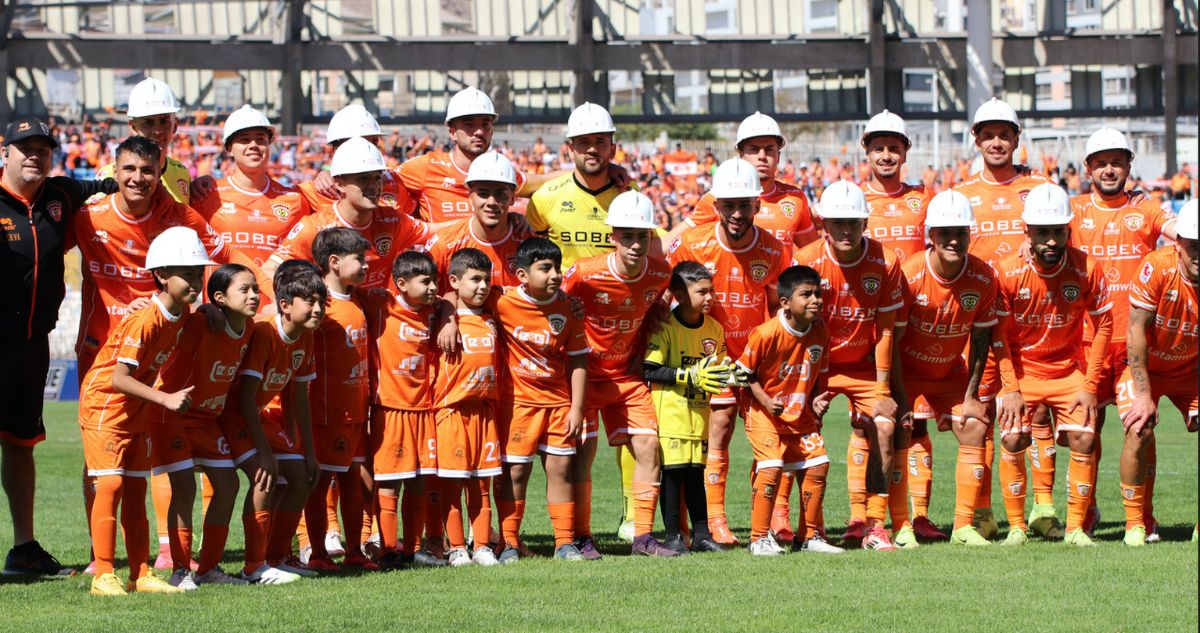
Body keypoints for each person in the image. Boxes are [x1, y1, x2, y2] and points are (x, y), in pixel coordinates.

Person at [1, 116, 115, 576]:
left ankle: (24, 548)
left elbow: (114, 183)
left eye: (43, 148)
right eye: (24, 147)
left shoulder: (62, 195)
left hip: (32, 346)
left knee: (20, 443)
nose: (34, 155)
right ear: (4, 152)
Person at [80, 227, 217, 596]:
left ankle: (140, 573)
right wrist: (165, 399)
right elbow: (119, 378)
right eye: (186, 273)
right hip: (105, 405)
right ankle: (103, 574)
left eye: (197, 272)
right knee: (111, 484)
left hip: (135, 409)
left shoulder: (183, 313)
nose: (195, 280)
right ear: (160, 276)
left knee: (137, 488)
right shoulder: (146, 318)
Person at [666, 158, 791, 546]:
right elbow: (666, 293)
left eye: (745, 204)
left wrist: (776, 358)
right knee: (717, 433)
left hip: (757, 359)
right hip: (711, 357)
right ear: (716, 205)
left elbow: (777, 306)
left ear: (758, 204)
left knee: (770, 436)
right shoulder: (693, 242)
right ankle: (716, 520)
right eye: (729, 205)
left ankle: (774, 517)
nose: (737, 213)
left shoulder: (773, 249)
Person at [1069, 127, 1178, 537]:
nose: (1109, 169)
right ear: (1088, 168)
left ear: (1129, 166)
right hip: (1087, 343)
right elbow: (1045, 239)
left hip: (1134, 348)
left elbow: (1177, 231)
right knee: (1086, 431)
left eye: (1117, 162)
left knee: (1140, 427)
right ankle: (1088, 509)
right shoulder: (1073, 209)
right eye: (1101, 162)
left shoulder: (1146, 208)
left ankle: (1142, 516)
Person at [895, 191, 1019, 546]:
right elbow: (894, 336)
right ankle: (904, 524)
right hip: (909, 372)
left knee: (975, 425)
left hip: (950, 373)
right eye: (945, 232)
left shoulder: (982, 277)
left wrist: (971, 396)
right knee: (899, 431)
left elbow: (981, 342)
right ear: (931, 236)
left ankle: (963, 527)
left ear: (969, 234)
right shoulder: (910, 274)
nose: (953, 240)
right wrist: (898, 394)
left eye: (961, 232)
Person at [993, 183, 1112, 547]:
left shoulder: (1087, 267)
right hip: (1022, 370)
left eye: (1058, 232)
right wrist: (1010, 389)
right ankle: (1016, 526)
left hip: (1067, 372)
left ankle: (1075, 528)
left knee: (1084, 437)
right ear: (1026, 231)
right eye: (1042, 232)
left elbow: (1104, 323)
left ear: (1068, 231)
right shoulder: (1007, 272)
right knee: (1014, 437)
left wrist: (1090, 386)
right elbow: (997, 335)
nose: (1050, 240)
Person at [953, 98, 1049, 538]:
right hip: (980, 324)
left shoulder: (1041, 188)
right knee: (983, 419)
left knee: (1034, 417)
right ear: (976, 139)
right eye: (987, 134)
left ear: (1016, 138)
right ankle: (985, 511)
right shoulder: (960, 195)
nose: (996, 142)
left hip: (1030, 324)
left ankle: (1043, 508)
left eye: (1004, 134)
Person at [562, 191, 677, 557]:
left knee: (648, 447)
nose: (635, 244)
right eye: (627, 236)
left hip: (626, 377)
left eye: (642, 236)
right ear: (613, 237)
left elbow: (652, 312)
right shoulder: (584, 274)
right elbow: (556, 311)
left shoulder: (661, 274)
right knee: (582, 454)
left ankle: (643, 538)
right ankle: (581, 536)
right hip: (584, 376)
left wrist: (642, 349)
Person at [795, 181, 905, 551]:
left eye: (853, 222)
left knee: (885, 427)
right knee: (802, 434)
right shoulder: (807, 260)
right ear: (824, 223)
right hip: (817, 365)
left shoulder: (886, 261)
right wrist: (807, 387)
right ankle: (810, 528)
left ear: (865, 223)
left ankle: (875, 524)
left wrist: (884, 390)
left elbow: (886, 330)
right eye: (838, 222)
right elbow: (797, 329)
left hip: (862, 367)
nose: (846, 230)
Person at [150, 264, 259, 588]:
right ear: (221, 297)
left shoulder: (251, 328)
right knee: (184, 488)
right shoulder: (201, 322)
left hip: (208, 421)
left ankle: (208, 569)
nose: (253, 295)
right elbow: (171, 320)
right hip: (174, 417)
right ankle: (180, 569)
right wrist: (202, 308)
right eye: (245, 289)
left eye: (255, 288)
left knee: (227, 485)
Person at [217, 260, 325, 582]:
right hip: (232, 414)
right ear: (285, 305)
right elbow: (244, 399)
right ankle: (254, 567)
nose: (318, 309)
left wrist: (307, 451)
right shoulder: (265, 332)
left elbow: (299, 398)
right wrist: (265, 453)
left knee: (303, 475)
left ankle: (279, 556)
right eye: (311, 302)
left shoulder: (306, 338)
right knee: (264, 476)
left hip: (257, 416)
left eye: (322, 302)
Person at [492, 238, 590, 562]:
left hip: (558, 402)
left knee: (561, 469)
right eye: (545, 268)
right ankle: (508, 543)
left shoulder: (568, 307)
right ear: (522, 274)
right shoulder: (502, 303)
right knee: (516, 473)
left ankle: (564, 543)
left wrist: (576, 408)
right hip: (518, 403)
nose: (554, 275)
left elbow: (578, 360)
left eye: (557, 268)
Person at [737, 265, 837, 556]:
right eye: (806, 294)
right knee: (771, 466)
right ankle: (758, 539)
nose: (815, 300)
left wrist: (817, 399)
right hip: (762, 410)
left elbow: (819, 374)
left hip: (799, 413)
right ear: (784, 302)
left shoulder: (820, 332)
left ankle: (808, 537)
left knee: (818, 464)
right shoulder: (765, 333)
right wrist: (767, 402)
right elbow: (744, 373)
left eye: (818, 293)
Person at [362, 251, 449, 568]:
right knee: (389, 481)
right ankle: (386, 547)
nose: (432, 288)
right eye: (425, 282)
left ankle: (413, 549)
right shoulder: (381, 304)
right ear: (401, 283)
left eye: (434, 282)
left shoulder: (434, 310)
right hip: (390, 408)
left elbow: (451, 297)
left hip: (424, 409)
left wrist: (449, 314)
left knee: (420, 480)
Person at [1118, 200, 1197, 545]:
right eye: (1194, 245)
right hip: (1148, 369)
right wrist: (1145, 394)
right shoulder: (1157, 267)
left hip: (1191, 372)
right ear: (1178, 243)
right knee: (1139, 428)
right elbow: (1135, 329)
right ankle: (1136, 523)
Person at [299, 228, 378, 572]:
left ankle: (355, 550)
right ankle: (316, 552)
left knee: (352, 484)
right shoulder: (321, 306)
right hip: (328, 413)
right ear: (334, 262)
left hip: (356, 410)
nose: (365, 266)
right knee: (319, 485)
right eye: (359, 259)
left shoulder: (354, 298)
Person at [262, 137, 432, 296]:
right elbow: (269, 270)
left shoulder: (392, 219)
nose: (373, 186)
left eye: (377, 177)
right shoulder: (314, 227)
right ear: (339, 184)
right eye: (363, 179)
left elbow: (436, 230)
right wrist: (303, 301)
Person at [642, 261, 732, 554]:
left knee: (696, 475)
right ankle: (672, 537)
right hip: (670, 413)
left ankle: (703, 535)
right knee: (673, 475)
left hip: (699, 413)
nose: (709, 298)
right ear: (679, 293)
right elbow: (650, 369)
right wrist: (687, 375)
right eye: (702, 291)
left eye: (711, 291)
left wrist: (732, 375)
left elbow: (718, 367)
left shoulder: (714, 328)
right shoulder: (665, 326)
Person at [433, 248, 503, 567]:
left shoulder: (492, 316)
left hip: (483, 412)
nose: (482, 286)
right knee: (452, 482)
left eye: (486, 279)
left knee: (481, 483)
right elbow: (441, 298)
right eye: (474, 279)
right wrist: (448, 313)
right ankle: (457, 547)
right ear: (454, 281)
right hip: (451, 411)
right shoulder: (443, 317)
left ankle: (483, 546)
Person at [668, 111, 817, 249]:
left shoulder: (795, 197)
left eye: (769, 149)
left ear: (778, 155)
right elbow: (670, 243)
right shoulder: (717, 197)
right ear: (741, 156)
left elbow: (813, 253)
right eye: (754, 149)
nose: (762, 156)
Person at [193, 105, 310, 272]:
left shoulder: (294, 199)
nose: (254, 145)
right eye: (245, 139)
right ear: (229, 147)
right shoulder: (206, 194)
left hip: (274, 298)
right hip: (219, 297)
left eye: (260, 139)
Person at [526, 102, 635, 270]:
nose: (592, 149)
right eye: (584, 142)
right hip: (563, 296)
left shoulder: (630, 195)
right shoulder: (545, 196)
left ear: (612, 150)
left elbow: (653, 247)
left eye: (600, 141)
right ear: (570, 150)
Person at [96, 77, 207, 203]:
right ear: (133, 127)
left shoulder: (181, 173)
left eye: (164, 121)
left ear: (175, 125)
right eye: (148, 123)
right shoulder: (109, 176)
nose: (157, 131)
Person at [424, 151, 524, 290]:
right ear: (470, 197)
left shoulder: (528, 239)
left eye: (500, 194)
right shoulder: (444, 244)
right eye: (483, 194)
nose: (491, 202)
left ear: (513, 198)